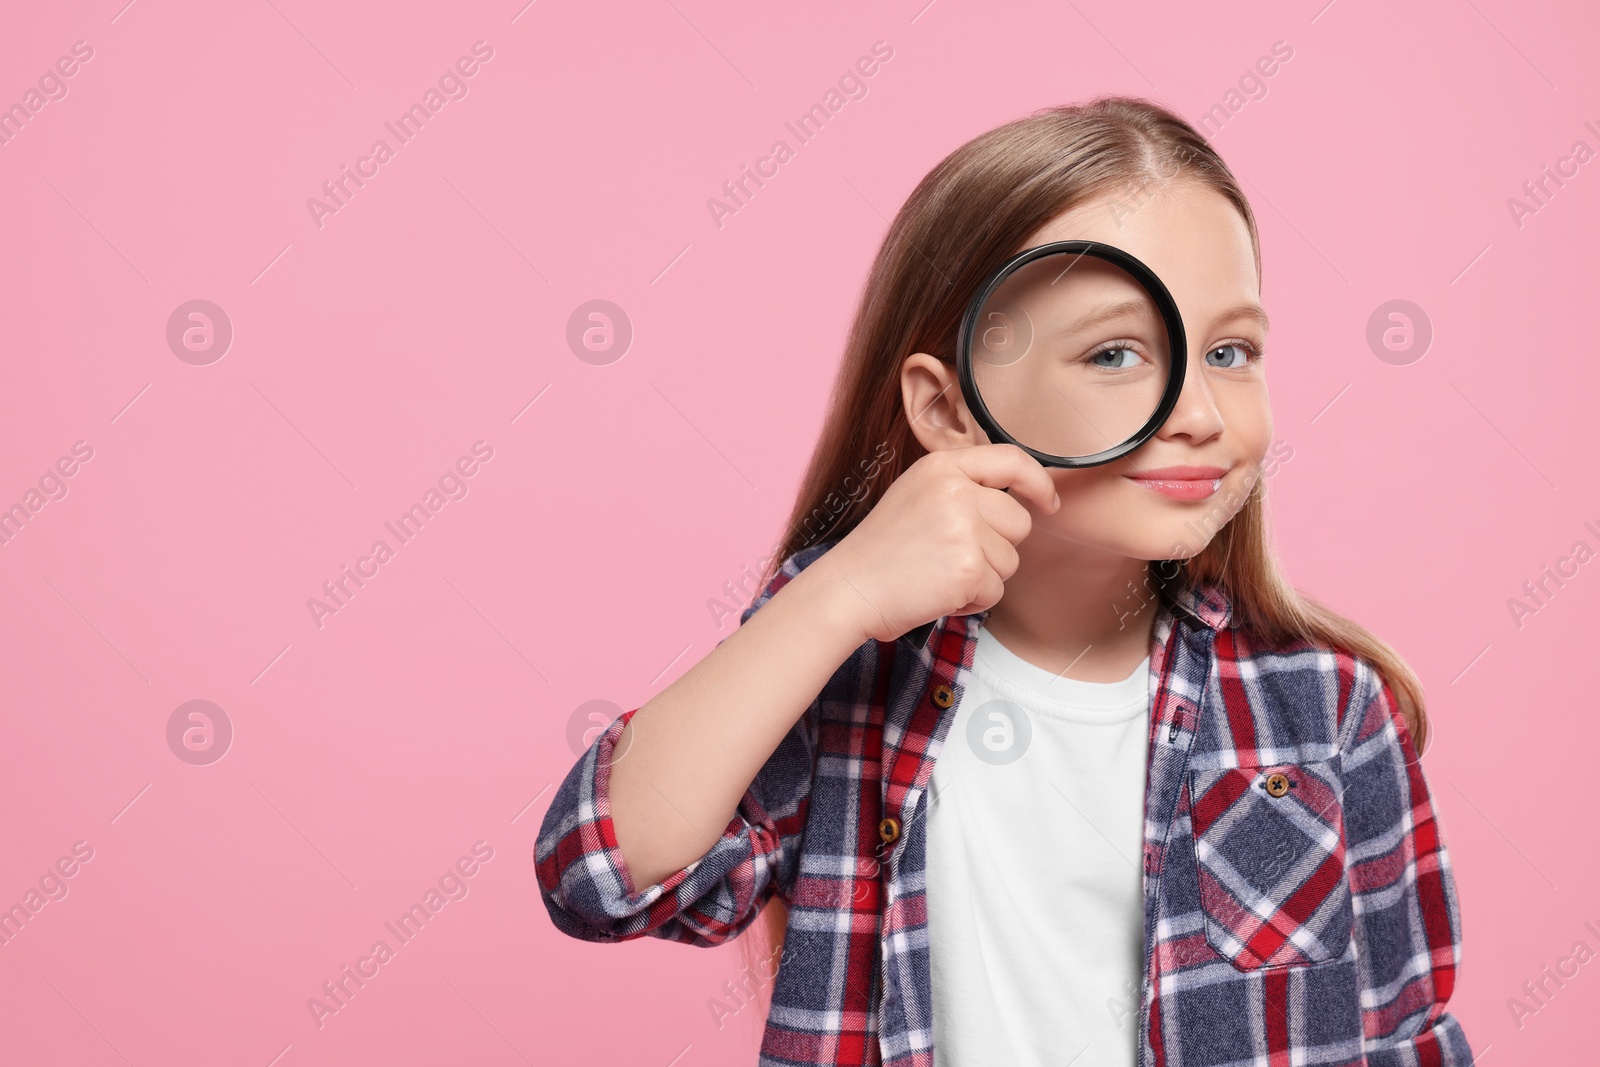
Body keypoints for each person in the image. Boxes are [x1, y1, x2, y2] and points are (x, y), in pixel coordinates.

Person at [534, 95, 1472, 1067]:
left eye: (1230, 351)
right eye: (1115, 352)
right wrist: (837, 593)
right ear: (948, 407)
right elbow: (602, 873)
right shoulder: (842, 663)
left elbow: (1403, 1033)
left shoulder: (1324, 708)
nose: (1198, 409)